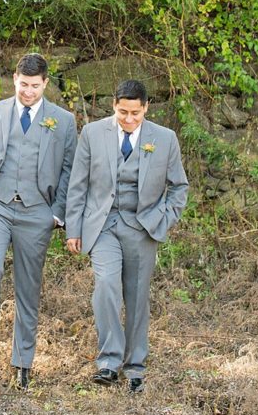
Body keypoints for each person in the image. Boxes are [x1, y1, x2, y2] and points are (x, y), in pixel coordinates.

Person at [65, 79, 188, 393]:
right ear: (114, 106)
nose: (129, 119)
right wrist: (74, 228)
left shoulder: (165, 138)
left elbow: (179, 188)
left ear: (146, 108)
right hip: (102, 225)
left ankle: (135, 367)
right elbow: (78, 184)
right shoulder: (92, 133)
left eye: (136, 113)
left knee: (137, 297)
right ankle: (108, 361)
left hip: (142, 227)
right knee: (106, 284)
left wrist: (162, 220)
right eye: (123, 112)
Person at [0, 53, 77, 387]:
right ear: (14, 79)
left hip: (36, 212)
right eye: (22, 84)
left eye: (34, 86)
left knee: (28, 287)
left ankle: (22, 364)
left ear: (45, 83)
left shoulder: (63, 121)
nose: (27, 91)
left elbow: (70, 169)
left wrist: (56, 214)